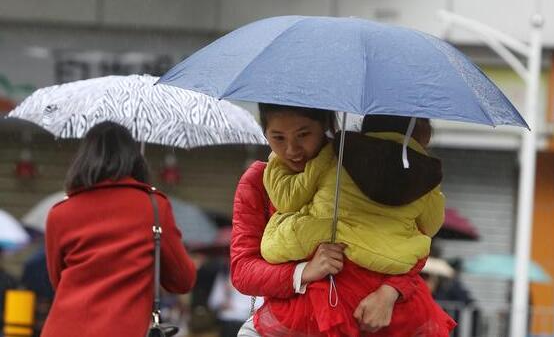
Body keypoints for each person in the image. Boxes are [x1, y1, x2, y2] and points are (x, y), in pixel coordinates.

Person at [231, 104, 455, 337]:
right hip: (294, 319)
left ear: (326, 126)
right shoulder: (258, 181)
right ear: (265, 133)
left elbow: (412, 242)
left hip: (374, 318)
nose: (292, 149)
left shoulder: (366, 168)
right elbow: (243, 271)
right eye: (277, 137)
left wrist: (390, 292)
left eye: (304, 135)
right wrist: (303, 271)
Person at [41, 121, 197, 337]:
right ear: (133, 159)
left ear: (82, 160)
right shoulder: (154, 206)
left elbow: (58, 282)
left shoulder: (60, 213)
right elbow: (182, 279)